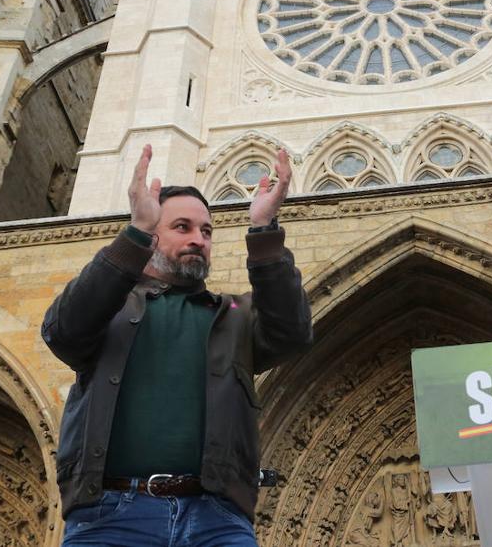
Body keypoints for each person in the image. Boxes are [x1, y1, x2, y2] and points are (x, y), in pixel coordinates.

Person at [42, 144, 312, 546]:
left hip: (215, 520)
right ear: (153, 235)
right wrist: (134, 234)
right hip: (111, 516)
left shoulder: (234, 314)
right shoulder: (110, 307)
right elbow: (63, 331)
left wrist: (263, 229)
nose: (199, 239)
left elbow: (291, 332)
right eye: (182, 227)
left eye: (206, 231)